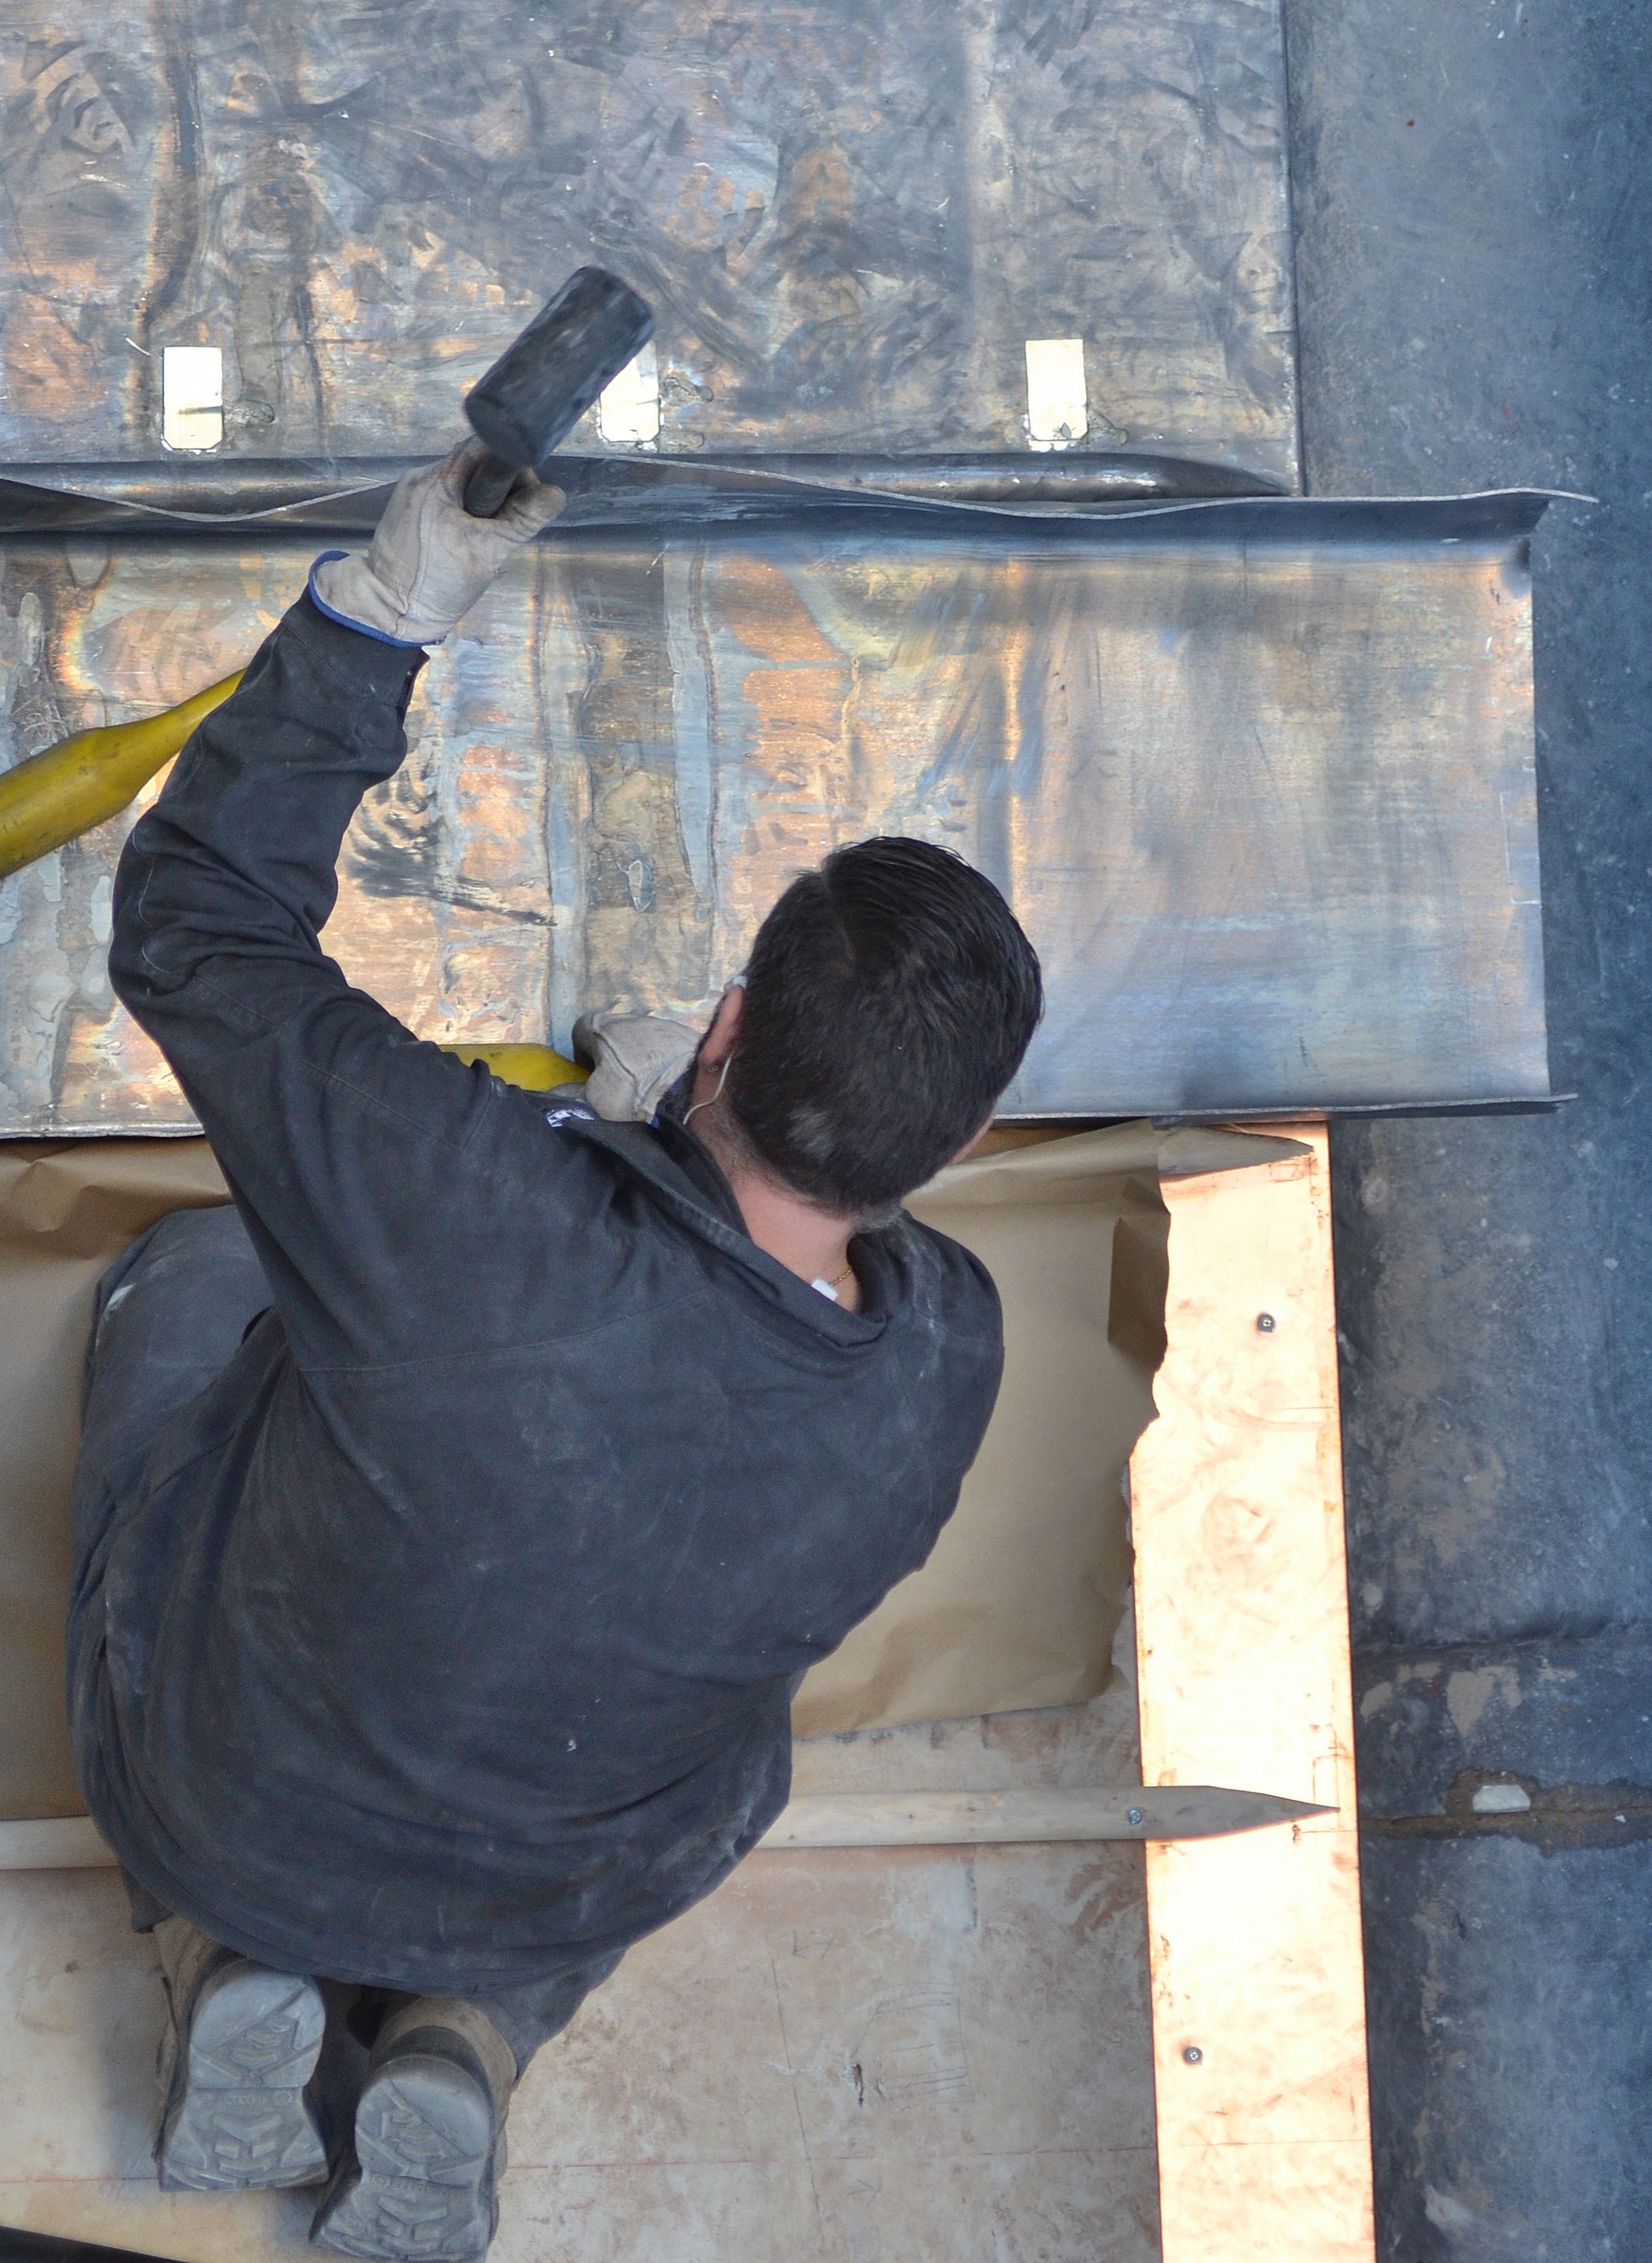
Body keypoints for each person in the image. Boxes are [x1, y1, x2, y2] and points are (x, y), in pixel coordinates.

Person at [74, 445, 1044, 2262]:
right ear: (958, 1154)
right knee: (660, 1711)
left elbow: (194, 921)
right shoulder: (946, 1365)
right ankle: (467, 2039)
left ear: (733, 1028)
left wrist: (388, 606)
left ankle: (225, 1948)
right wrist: (672, 1125)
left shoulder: (464, 1217)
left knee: (187, 1289)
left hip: (239, 1794)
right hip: (567, 1869)